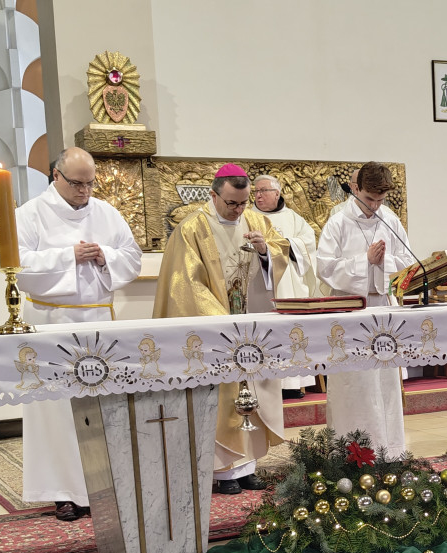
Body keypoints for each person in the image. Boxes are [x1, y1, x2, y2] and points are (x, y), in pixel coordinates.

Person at [15, 147, 142, 520]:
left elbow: (131, 256)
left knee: (101, 406)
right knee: (55, 409)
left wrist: (105, 255)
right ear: (55, 176)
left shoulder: (107, 212)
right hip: (51, 322)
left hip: (98, 321)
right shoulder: (30, 213)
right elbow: (17, 264)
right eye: (76, 183)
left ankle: (104, 484)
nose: (85, 191)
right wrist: (68, 255)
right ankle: (63, 491)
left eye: (89, 183)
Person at [153, 163, 290, 493]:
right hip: (217, 330)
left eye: (244, 203)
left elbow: (280, 251)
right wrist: (224, 324)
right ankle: (220, 472)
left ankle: (247, 467)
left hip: (250, 327)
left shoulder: (257, 221)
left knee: (253, 392)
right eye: (231, 203)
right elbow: (184, 284)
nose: (239, 209)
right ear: (213, 195)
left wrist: (264, 251)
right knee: (220, 396)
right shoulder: (192, 229)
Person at [315, 161, 410, 457]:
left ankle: (390, 452)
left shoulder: (389, 219)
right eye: (369, 199)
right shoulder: (338, 222)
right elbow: (324, 268)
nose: (375, 206)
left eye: (381, 200)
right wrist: (364, 260)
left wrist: (383, 262)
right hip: (349, 312)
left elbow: (406, 260)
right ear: (355, 188)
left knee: (385, 386)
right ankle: (352, 452)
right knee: (355, 387)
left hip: (382, 308)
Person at [252, 174, 322, 398]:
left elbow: (308, 242)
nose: (258, 195)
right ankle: (263, 385)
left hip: (290, 286)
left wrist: (282, 245)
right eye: (256, 191)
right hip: (259, 285)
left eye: (263, 190)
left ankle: (292, 384)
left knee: (290, 332)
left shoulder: (293, 218)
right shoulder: (248, 217)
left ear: (277, 193)